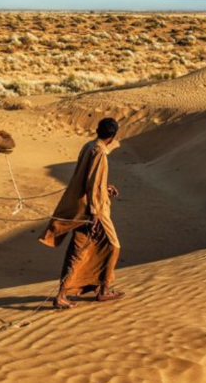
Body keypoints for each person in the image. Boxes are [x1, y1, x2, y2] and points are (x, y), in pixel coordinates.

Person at [38, 118, 125, 309]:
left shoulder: (89, 145)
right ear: (112, 137)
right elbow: (92, 182)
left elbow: (90, 179)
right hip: (93, 210)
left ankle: (99, 289)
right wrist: (94, 211)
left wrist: (105, 189)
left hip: (85, 205)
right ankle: (92, 292)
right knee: (112, 246)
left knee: (80, 249)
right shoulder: (100, 152)